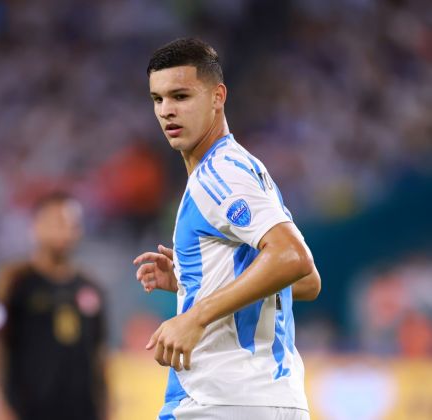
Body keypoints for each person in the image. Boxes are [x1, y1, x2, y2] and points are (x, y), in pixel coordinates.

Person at [133, 38, 321, 420]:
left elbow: (293, 258)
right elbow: (307, 282)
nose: (167, 111)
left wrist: (195, 314)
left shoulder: (219, 175)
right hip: (273, 399)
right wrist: (195, 281)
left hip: (220, 400)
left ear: (217, 96)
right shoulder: (247, 169)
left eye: (181, 96)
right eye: (158, 99)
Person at [0, 192, 107, 420]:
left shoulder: (90, 288)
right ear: (36, 227)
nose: (65, 231)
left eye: (72, 225)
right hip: (27, 410)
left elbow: (99, 354)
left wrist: (107, 408)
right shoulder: (14, 281)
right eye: (57, 223)